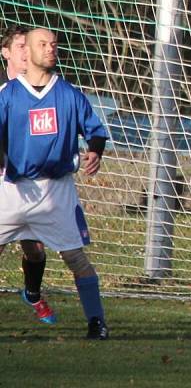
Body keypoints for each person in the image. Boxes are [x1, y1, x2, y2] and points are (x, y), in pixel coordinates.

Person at [0, 27, 110, 340]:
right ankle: (33, 294)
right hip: (13, 191)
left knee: (76, 259)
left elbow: (96, 130)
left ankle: (97, 323)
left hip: (56, 190)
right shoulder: (8, 95)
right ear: (28, 52)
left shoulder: (69, 94)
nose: (50, 49)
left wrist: (95, 151)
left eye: (53, 44)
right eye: (42, 44)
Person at [0, 25, 55, 325]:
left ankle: (32, 293)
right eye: (19, 46)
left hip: (30, 183)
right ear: (5, 52)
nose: (26, 52)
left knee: (34, 249)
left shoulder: (41, 89)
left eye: (28, 46)